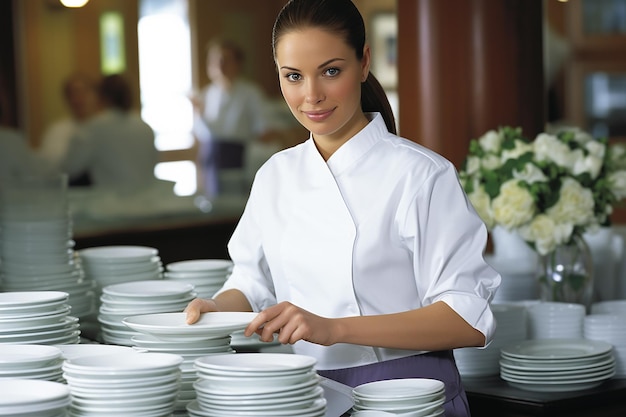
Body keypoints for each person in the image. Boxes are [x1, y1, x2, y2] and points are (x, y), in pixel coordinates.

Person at [185, 1, 500, 415]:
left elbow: (467, 318)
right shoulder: (275, 175)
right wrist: (217, 306)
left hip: (410, 395)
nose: (311, 95)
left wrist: (334, 328)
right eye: (293, 76)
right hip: (305, 395)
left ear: (364, 62)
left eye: (331, 71)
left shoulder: (421, 175)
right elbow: (252, 280)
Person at [190, 37, 275, 196]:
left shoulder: (251, 93)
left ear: (238, 63)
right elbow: (200, 135)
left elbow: (265, 131)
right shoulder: (205, 95)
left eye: (225, 60)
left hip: (240, 160)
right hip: (210, 161)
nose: (220, 65)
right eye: (215, 60)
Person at [61, 73, 158, 191]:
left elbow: (69, 168)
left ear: (100, 96)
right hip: (147, 204)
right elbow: (153, 162)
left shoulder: (93, 128)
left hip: (110, 205)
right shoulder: (144, 127)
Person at [38, 72, 101, 184]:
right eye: (74, 93)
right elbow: (49, 168)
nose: (79, 98)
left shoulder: (106, 129)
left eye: (84, 91)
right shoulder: (56, 131)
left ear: (95, 95)